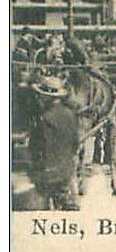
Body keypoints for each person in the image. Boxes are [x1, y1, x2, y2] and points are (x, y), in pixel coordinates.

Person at [27, 75, 81, 211]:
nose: (39, 98)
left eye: (41, 95)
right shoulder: (71, 114)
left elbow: (35, 147)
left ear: (48, 97)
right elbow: (76, 142)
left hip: (49, 174)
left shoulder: (43, 118)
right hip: (68, 171)